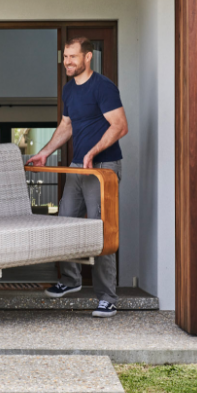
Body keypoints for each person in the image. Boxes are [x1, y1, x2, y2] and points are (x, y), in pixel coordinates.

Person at [27, 37, 128, 318]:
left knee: (101, 230)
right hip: (76, 166)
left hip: (102, 167)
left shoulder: (103, 87)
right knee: (66, 223)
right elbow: (67, 126)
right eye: (65, 57)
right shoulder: (69, 90)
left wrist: (93, 152)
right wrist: (45, 152)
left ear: (87, 58)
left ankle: (107, 297)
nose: (68, 62)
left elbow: (120, 126)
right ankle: (71, 280)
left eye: (73, 57)